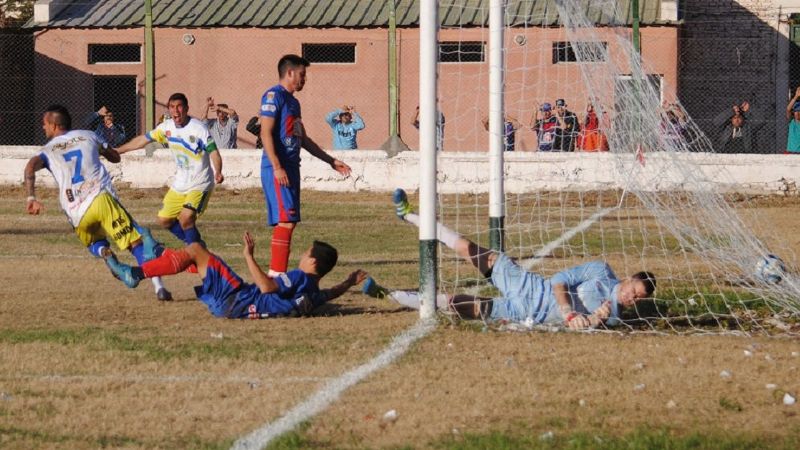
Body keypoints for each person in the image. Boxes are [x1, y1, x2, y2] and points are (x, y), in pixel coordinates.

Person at [362, 189, 656, 330]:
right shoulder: (601, 270)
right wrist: (568, 311)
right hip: (529, 285)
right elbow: (559, 280)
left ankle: (390, 295)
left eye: (637, 298)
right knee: (468, 248)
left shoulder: (614, 316)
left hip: (523, 311)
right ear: (629, 277)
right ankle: (409, 215)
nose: (631, 297)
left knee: (456, 303)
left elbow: (581, 328)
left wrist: (594, 318)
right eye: (634, 289)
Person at [24, 104, 171, 301]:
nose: (43, 128)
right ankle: (159, 288)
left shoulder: (47, 151)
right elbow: (115, 157)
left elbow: (30, 168)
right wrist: (105, 151)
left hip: (75, 212)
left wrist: (31, 197)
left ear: (54, 125)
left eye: (44, 124)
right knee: (137, 242)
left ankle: (110, 259)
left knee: (96, 242)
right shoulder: (88, 135)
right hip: (100, 200)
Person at [105, 231, 367, 319]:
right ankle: (164, 255)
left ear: (311, 261)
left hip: (236, 297)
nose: (300, 255)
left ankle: (136, 273)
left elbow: (266, 287)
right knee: (198, 259)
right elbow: (329, 293)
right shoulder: (312, 291)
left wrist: (248, 256)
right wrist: (348, 282)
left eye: (305, 252)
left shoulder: (298, 277)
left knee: (197, 249)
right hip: (234, 307)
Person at [259, 54, 352, 277]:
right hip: (278, 168)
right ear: (289, 73)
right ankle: (275, 277)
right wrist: (277, 166)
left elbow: (303, 139)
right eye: (302, 75)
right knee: (286, 222)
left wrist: (331, 161)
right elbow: (265, 132)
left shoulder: (294, 102)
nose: (304, 79)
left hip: (292, 168)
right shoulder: (273, 96)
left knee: (288, 222)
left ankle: (276, 276)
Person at [117, 93, 223, 250]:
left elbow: (214, 152)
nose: (176, 111)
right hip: (180, 183)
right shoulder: (166, 127)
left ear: (186, 109)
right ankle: (196, 246)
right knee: (164, 220)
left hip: (200, 183)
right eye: (172, 107)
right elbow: (143, 140)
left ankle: (197, 252)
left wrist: (218, 171)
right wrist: (119, 150)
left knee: (186, 218)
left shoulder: (198, 129)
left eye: (179, 106)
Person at [785, 87, 800, 154]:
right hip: (790, 151)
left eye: (799, 111)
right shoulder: (792, 122)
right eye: (796, 111)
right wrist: (796, 96)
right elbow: (788, 109)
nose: (797, 113)